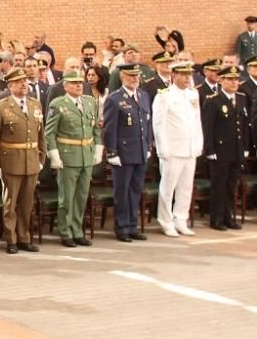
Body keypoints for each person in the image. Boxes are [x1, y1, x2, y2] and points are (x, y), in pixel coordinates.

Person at [0, 68, 46, 254]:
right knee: (11, 203)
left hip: (31, 160)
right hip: (11, 161)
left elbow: (41, 134)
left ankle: (24, 238)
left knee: (27, 203)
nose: (24, 85)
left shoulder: (35, 104)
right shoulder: (1, 106)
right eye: (19, 82)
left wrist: (41, 156)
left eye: (25, 81)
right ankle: (11, 239)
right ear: (10, 85)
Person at [45, 70, 102, 247]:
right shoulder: (58, 104)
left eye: (80, 82)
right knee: (67, 197)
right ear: (65, 86)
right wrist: (54, 155)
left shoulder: (90, 101)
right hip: (68, 155)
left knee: (82, 196)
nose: (78, 85)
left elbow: (95, 129)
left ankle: (77, 230)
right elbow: (49, 133)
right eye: (73, 83)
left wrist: (98, 149)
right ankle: (65, 231)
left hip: (86, 154)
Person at [152, 61, 203, 237]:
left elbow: (196, 121)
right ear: (174, 76)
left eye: (190, 74)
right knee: (168, 188)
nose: (189, 77)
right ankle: (165, 221)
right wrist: (162, 149)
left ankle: (181, 219)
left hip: (189, 149)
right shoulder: (164, 96)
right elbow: (158, 125)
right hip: (172, 150)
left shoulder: (193, 93)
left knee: (186, 187)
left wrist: (199, 143)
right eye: (184, 74)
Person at [103, 64, 153, 242]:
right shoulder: (115, 99)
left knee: (135, 191)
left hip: (139, 151)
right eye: (130, 76)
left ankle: (133, 225)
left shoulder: (143, 96)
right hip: (123, 154)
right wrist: (112, 152)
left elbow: (147, 124)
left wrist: (148, 146)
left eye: (136, 76)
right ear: (122, 77)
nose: (135, 79)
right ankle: (122, 227)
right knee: (122, 192)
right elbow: (110, 129)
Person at [202, 66, 249, 231]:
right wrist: (209, 150)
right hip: (219, 151)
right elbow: (208, 128)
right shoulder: (213, 100)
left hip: (236, 150)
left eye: (236, 79)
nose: (234, 82)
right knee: (219, 185)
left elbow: (244, 125)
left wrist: (245, 147)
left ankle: (228, 217)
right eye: (230, 79)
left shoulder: (241, 98)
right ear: (221, 80)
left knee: (231, 185)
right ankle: (217, 218)